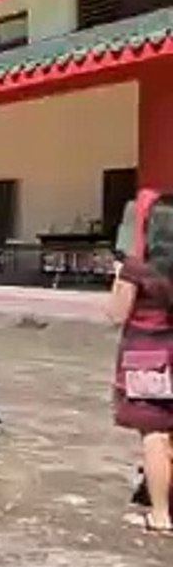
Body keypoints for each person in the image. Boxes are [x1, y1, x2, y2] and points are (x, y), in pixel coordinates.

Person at [106, 189, 173, 536]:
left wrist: (118, 277)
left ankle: (161, 514)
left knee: (155, 434)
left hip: (148, 355)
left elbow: (116, 314)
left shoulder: (138, 269)